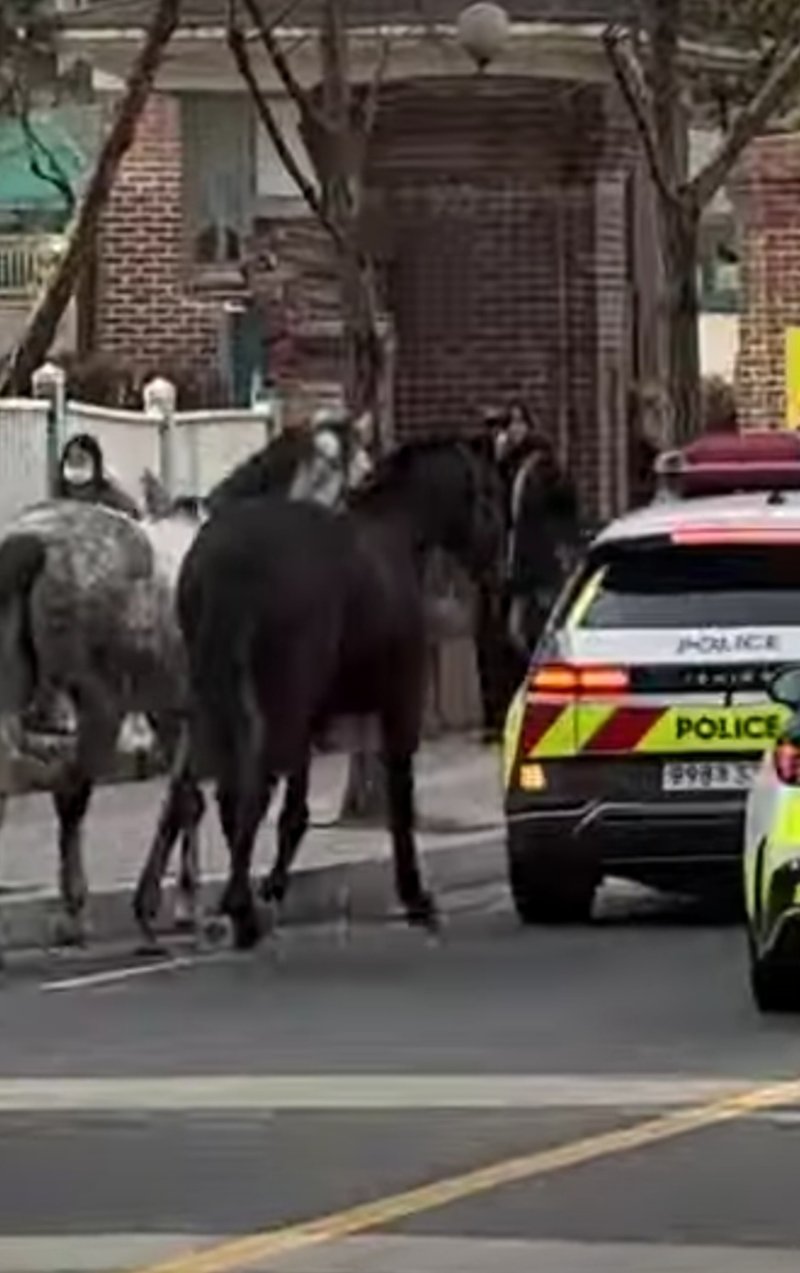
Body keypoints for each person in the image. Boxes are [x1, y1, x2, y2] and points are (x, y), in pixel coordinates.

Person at [56, 433, 142, 518]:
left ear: (96, 465)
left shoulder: (115, 501)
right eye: (71, 461)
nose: (75, 466)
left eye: (81, 460)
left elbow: (135, 517)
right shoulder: (59, 500)